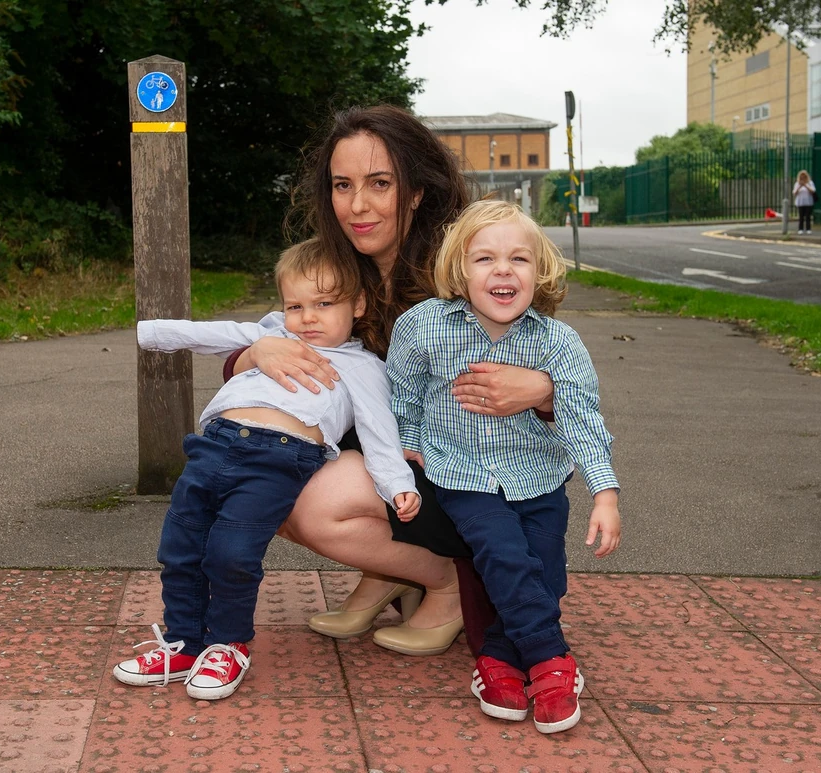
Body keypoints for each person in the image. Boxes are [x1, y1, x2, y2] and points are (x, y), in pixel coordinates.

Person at [223, 105, 556, 658]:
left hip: (469, 480)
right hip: (393, 469)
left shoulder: (467, 272)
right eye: (342, 185)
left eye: (380, 184)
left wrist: (541, 392)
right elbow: (274, 346)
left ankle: (447, 581)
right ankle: (389, 569)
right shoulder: (337, 268)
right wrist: (253, 353)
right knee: (246, 469)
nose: (358, 205)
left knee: (303, 495)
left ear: (418, 192)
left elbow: (555, 369)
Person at [113, 238, 420, 700]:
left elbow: (380, 432)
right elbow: (216, 335)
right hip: (210, 448)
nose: (307, 317)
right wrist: (153, 332)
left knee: (231, 553)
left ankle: (228, 644)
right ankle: (183, 643)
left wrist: (397, 484)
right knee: (180, 548)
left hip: (278, 458)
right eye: (295, 305)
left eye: (324, 303)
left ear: (358, 304)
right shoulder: (274, 336)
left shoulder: (363, 367)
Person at [385, 200, 621, 734]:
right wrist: (410, 445)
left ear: (539, 273)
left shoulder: (557, 342)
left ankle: (497, 659)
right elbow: (404, 394)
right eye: (485, 258)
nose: (503, 270)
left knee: (546, 573)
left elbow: (582, 416)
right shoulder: (423, 327)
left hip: (540, 477)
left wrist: (604, 493)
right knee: (505, 555)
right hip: (464, 476)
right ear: (459, 270)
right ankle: (551, 661)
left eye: (519, 259)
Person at [793, 170, 816, 235]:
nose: (802, 179)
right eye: (801, 177)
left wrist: (806, 185)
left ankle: (808, 229)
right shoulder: (797, 184)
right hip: (800, 202)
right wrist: (800, 186)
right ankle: (800, 229)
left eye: (804, 177)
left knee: (808, 216)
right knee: (801, 216)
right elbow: (794, 193)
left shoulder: (810, 183)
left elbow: (813, 191)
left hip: (808, 202)